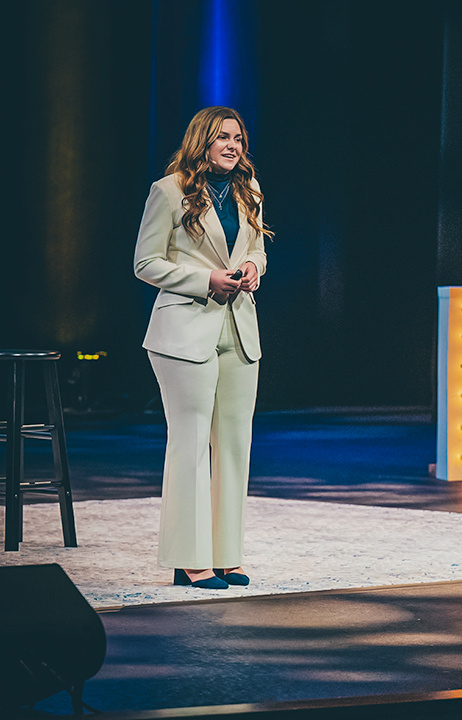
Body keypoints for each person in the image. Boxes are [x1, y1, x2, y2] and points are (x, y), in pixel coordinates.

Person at [134, 106, 271, 589]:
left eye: (238, 138)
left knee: (233, 445)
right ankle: (190, 560)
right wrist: (204, 279)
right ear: (202, 142)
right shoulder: (169, 190)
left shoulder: (248, 190)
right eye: (222, 138)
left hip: (238, 328)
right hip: (184, 330)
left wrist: (255, 267)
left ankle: (225, 555)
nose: (233, 146)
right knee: (190, 443)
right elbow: (145, 263)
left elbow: (255, 248)